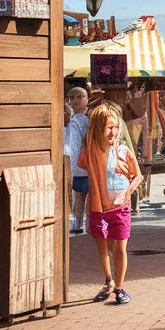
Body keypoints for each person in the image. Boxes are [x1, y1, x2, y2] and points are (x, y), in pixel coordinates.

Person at [78, 104, 144, 305]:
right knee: (103, 249)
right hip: (100, 208)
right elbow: (82, 162)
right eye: (108, 127)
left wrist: (128, 191)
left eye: (116, 127)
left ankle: (120, 287)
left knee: (120, 249)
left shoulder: (124, 151)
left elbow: (138, 175)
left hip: (120, 208)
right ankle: (109, 281)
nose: (113, 131)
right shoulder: (90, 152)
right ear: (98, 128)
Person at [64, 87, 90, 235]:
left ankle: (80, 223)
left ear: (87, 99)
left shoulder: (79, 121)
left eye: (80, 97)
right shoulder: (78, 119)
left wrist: (72, 168)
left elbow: (74, 148)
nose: (75, 100)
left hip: (81, 165)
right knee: (81, 196)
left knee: (81, 196)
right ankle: (80, 223)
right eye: (72, 97)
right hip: (84, 165)